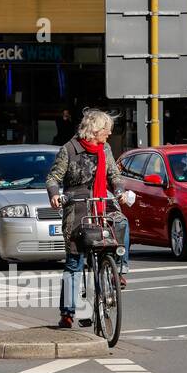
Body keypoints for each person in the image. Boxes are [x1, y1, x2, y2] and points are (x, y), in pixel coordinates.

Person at [46, 109, 136, 328]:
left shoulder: (104, 148)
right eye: (107, 130)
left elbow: (114, 175)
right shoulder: (69, 149)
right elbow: (52, 178)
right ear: (95, 130)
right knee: (74, 262)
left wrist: (120, 191)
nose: (109, 134)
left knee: (121, 222)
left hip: (101, 201)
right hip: (77, 205)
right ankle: (68, 313)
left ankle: (117, 270)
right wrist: (55, 195)